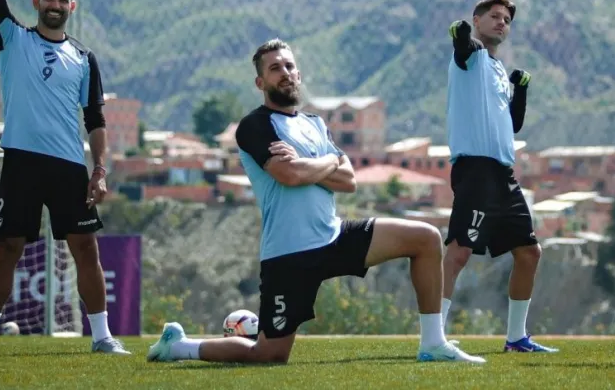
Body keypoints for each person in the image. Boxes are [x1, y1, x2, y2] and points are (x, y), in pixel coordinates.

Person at [147, 39, 485, 365]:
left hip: (334, 235)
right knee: (268, 354)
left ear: (299, 74)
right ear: (260, 81)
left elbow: (349, 180)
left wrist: (312, 165)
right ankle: (179, 346)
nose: (285, 72)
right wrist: (328, 163)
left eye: (289, 66)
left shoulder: (315, 124)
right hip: (289, 253)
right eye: (275, 67)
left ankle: (433, 343)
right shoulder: (253, 126)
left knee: (425, 238)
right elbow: (289, 176)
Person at [0, 0, 130, 356]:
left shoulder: (85, 58)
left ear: (71, 6)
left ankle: (102, 338)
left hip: (67, 167)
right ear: (37, 3)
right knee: (8, 249)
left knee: (85, 250)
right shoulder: (13, 39)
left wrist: (99, 169)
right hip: (20, 161)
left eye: (62, 0)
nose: (55, 5)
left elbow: (95, 119)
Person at [441, 0, 556, 353]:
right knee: (459, 252)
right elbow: (461, 44)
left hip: (504, 174)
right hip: (474, 169)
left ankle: (516, 338)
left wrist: (519, 90)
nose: (501, 22)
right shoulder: (470, 58)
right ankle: (434, 335)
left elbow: (514, 123)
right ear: (477, 21)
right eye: (493, 16)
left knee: (529, 252)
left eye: (506, 19)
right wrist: (460, 34)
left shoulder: (496, 71)